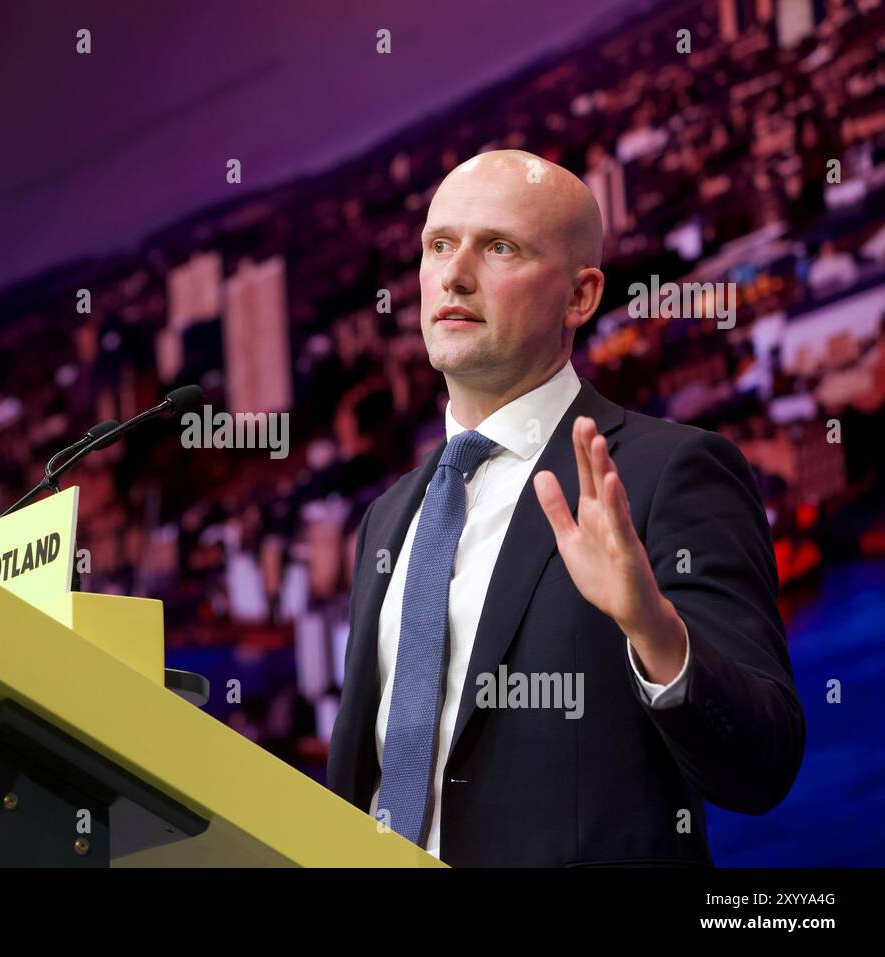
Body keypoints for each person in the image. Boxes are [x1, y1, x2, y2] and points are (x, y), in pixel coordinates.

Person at [326, 149, 804, 866]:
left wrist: (654, 630)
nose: (454, 274)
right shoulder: (388, 520)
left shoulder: (667, 472)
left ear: (580, 297)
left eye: (499, 247)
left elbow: (762, 763)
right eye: (439, 244)